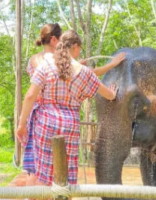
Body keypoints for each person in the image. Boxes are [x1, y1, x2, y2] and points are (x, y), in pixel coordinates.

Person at [23, 24, 125, 187]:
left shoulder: (43, 61)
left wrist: (21, 125)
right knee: (67, 178)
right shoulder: (70, 67)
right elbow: (94, 79)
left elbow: (30, 95)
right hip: (69, 124)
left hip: (43, 121)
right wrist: (111, 77)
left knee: (38, 172)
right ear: (55, 40)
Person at [23, 23, 62, 187]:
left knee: (33, 166)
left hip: (33, 113)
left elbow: (28, 75)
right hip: (48, 115)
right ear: (54, 40)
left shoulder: (33, 59)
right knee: (48, 167)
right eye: (61, 39)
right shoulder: (54, 62)